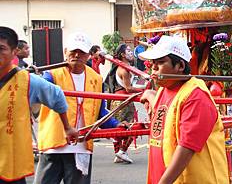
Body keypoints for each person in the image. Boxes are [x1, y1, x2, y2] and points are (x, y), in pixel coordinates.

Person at [34, 32, 123, 184]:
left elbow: (100, 113)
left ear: (89, 55)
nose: (76, 55)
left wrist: (117, 126)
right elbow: (38, 94)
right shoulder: (51, 75)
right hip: (53, 146)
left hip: (81, 147)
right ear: (65, 52)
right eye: (73, 51)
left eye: (81, 52)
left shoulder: (96, 79)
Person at [139, 35, 228, 184]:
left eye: (161, 62)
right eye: (153, 63)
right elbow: (170, 115)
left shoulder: (196, 96)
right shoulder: (164, 89)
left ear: (180, 66)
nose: (154, 68)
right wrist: (149, 94)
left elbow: (186, 148)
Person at [0, 26, 78, 184]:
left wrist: (67, 127)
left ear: (14, 51)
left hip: (9, 165)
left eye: (1, 49)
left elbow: (57, 96)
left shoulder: (27, 81)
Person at [110, 43, 143, 164]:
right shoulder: (124, 69)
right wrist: (143, 89)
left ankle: (119, 154)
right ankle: (122, 151)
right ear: (123, 55)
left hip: (123, 100)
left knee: (120, 128)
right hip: (123, 100)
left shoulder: (127, 67)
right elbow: (129, 88)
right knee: (131, 127)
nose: (131, 52)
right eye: (128, 51)